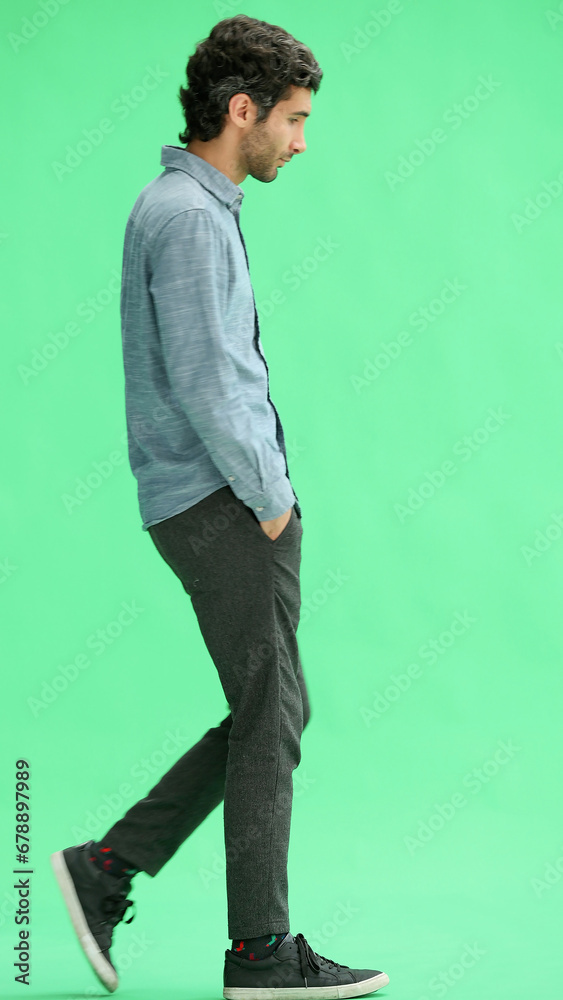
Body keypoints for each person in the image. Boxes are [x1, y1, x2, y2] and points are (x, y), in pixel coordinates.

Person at [50, 14, 389, 999]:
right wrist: (271, 499)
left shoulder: (184, 205)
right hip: (220, 501)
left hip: (207, 498)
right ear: (241, 110)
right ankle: (259, 955)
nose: (300, 140)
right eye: (293, 118)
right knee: (270, 713)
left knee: (270, 710)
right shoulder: (190, 218)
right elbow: (209, 382)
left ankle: (106, 867)